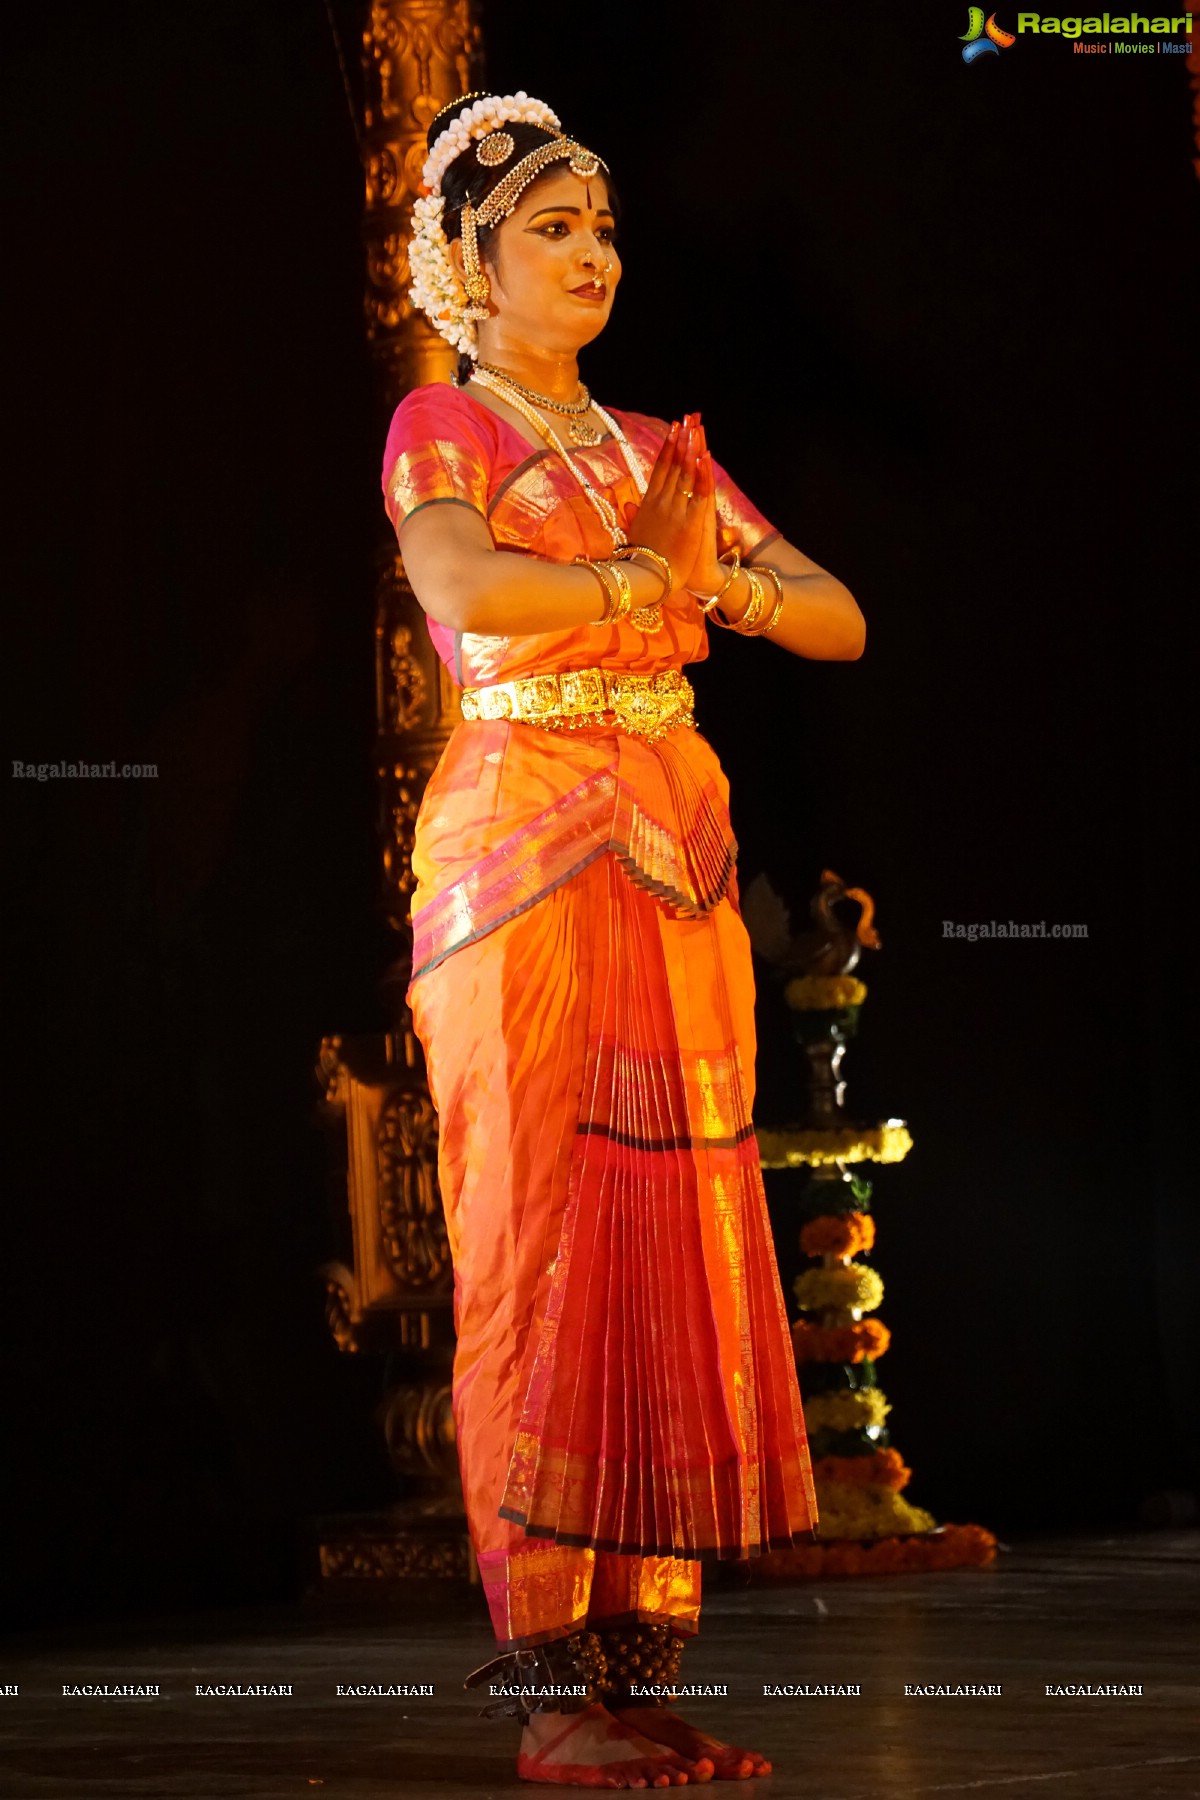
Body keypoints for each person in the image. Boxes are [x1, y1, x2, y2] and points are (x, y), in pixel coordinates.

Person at [382, 90, 865, 1790]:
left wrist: (704, 578)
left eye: (601, 228)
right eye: (550, 230)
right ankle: (546, 1694)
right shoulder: (446, 426)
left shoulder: (664, 449)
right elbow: (460, 586)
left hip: (678, 855)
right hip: (526, 851)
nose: (590, 255)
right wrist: (636, 595)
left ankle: (639, 1669)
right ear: (469, 261)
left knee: (676, 1244)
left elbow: (835, 616)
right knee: (539, 1244)